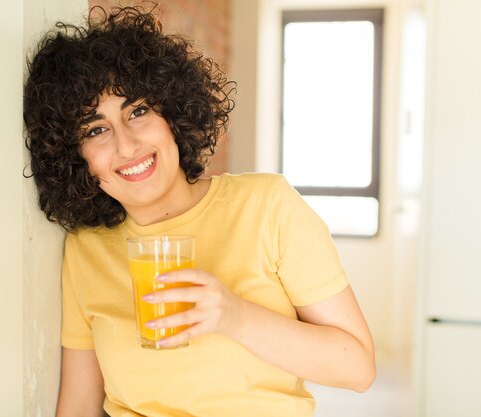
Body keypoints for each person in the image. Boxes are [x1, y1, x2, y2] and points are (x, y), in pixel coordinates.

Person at [23, 5, 375, 417]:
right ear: (76, 157)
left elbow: (358, 368)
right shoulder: (86, 248)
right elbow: (80, 406)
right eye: (96, 130)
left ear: (171, 113)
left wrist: (236, 317)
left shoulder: (266, 206)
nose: (126, 145)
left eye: (138, 111)